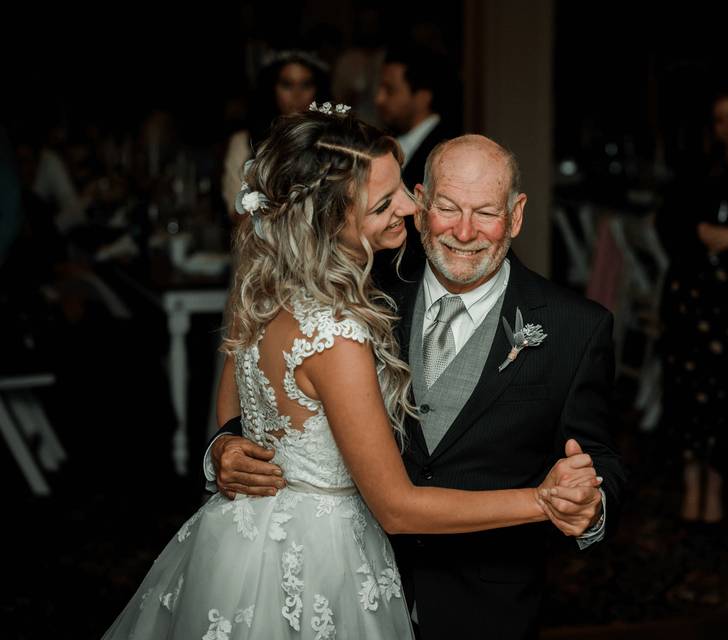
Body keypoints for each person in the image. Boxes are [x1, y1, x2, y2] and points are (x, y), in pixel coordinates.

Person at [104, 108, 603, 639]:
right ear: (332, 219)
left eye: (485, 212)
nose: (414, 211)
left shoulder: (271, 286)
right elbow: (389, 500)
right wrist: (225, 449)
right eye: (391, 202)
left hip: (471, 598)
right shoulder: (345, 317)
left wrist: (584, 505)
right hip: (329, 568)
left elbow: (601, 459)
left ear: (516, 213)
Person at [656, 90, 728, 526]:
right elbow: (668, 221)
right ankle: (691, 482)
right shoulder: (699, 169)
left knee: (725, 393)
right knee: (685, 389)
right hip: (691, 295)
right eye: (719, 118)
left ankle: (716, 486)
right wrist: (697, 231)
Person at [372, 44, 460, 284]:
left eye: (390, 90)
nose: (379, 98)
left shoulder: (449, 152)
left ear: (422, 97)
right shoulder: (382, 144)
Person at [221, 50, 332, 214]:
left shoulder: (333, 141)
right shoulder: (244, 142)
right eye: (287, 84)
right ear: (271, 88)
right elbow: (239, 216)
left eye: (305, 85)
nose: (297, 95)